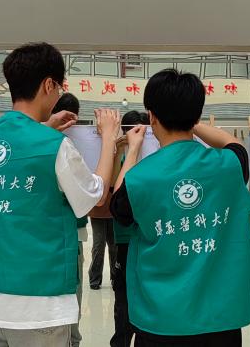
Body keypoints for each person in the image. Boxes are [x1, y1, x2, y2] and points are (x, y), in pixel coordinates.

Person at [0, 42, 121, 347]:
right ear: (49, 85)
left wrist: (45, 125)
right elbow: (96, 195)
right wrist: (109, 139)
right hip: (39, 306)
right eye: (59, 86)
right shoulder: (56, 146)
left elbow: (17, 149)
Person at [110, 70, 250, 347]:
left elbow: (118, 206)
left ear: (152, 116)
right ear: (197, 115)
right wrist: (192, 123)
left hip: (161, 321)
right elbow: (234, 144)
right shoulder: (229, 166)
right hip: (220, 321)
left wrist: (133, 148)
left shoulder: (140, 178)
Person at [51, 93, 88, 347]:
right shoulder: (64, 144)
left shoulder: (51, 140)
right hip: (68, 230)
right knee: (71, 293)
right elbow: (90, 194)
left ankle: (71, 339)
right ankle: (72, 340)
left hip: (67, 230)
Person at [109, 110, 147, 347]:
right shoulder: (122, 154)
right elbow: (114, 189)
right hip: (125, 238)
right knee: (123, 303)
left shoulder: (155, 154)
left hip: (149, 237)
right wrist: (120, 151)